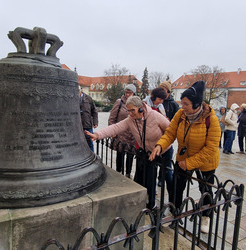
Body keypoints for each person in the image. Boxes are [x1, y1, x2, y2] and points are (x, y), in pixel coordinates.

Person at [149, 81, 221, 233]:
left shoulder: (211, 120)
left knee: (205, 190)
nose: (182, 107)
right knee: (176, 186)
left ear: (196, 104)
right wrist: (160, 145)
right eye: (181, 103)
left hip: (205, 162)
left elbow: (211, 148)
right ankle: (175, 211)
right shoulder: (181, 115)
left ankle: (205, 217)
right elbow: (170, 133)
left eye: (186, 104)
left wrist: (189, 163)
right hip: (184, 157)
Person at [85, 96, 170, 209]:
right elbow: (116, 127)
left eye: (132, 110)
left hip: (164, 150)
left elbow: (170, 130)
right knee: (145, 178)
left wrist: (161, 145)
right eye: (128, 110)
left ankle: (170, 204)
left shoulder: (154, 116)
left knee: (168, 177)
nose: (130, 113)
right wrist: (97, 135)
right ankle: (147, 203)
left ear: (140, 108)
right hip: (147, 152)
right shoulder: (131, 120)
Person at [143, 87, 174, 201]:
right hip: (149, 145)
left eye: (163, 100)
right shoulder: (145, 105)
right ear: (154, 96)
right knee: (150, 173)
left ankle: (172, 197)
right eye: (160, 99)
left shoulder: (160, 107)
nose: (161, 102)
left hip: (163, 144)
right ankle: (151, 197)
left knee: (167, 172)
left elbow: (168, 127)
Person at [108, 84, 136, 178]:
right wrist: (113, 131)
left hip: (132, 135)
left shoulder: (136, 103)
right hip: (121, 134)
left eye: (130, 93)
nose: (128, 94)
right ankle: (119, 172)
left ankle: (128, 173)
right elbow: (112, 118)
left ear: (133, 93)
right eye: (126, 92)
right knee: (120, 154)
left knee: (130, 155)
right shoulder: (119, 102)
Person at [79, 87, 98, 152]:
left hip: (87, 124)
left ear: (80, 90)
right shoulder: (72, 98)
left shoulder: (88, 98)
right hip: (76, 125)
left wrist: (95, 122)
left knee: (89, 142)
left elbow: (94, 111)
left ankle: (92, 156)